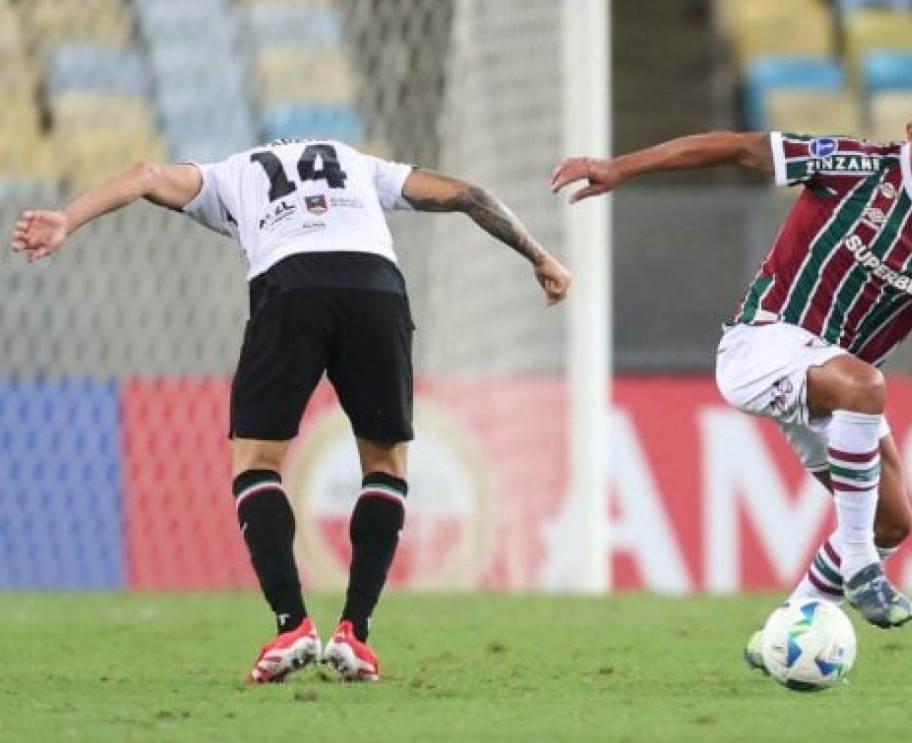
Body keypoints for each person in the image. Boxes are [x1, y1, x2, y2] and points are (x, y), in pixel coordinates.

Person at [12, 138, 572, 683]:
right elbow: (469, 195)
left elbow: (144, 174)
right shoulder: (359, 163)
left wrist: (66, 219)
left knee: (256, 461)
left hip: (290, 287)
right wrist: (540, 256)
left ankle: (292, 625)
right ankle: (355, 633)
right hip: (375, 289)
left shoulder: (229, 174)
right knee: (385, 464)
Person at [552, 78, 912, 642]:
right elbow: (737, 147)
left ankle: (786, 631)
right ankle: (861, 567)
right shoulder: (852, 167)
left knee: (894, 521)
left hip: (831, 382)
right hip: (763, 344)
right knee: (867, 388)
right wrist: (621, 167)